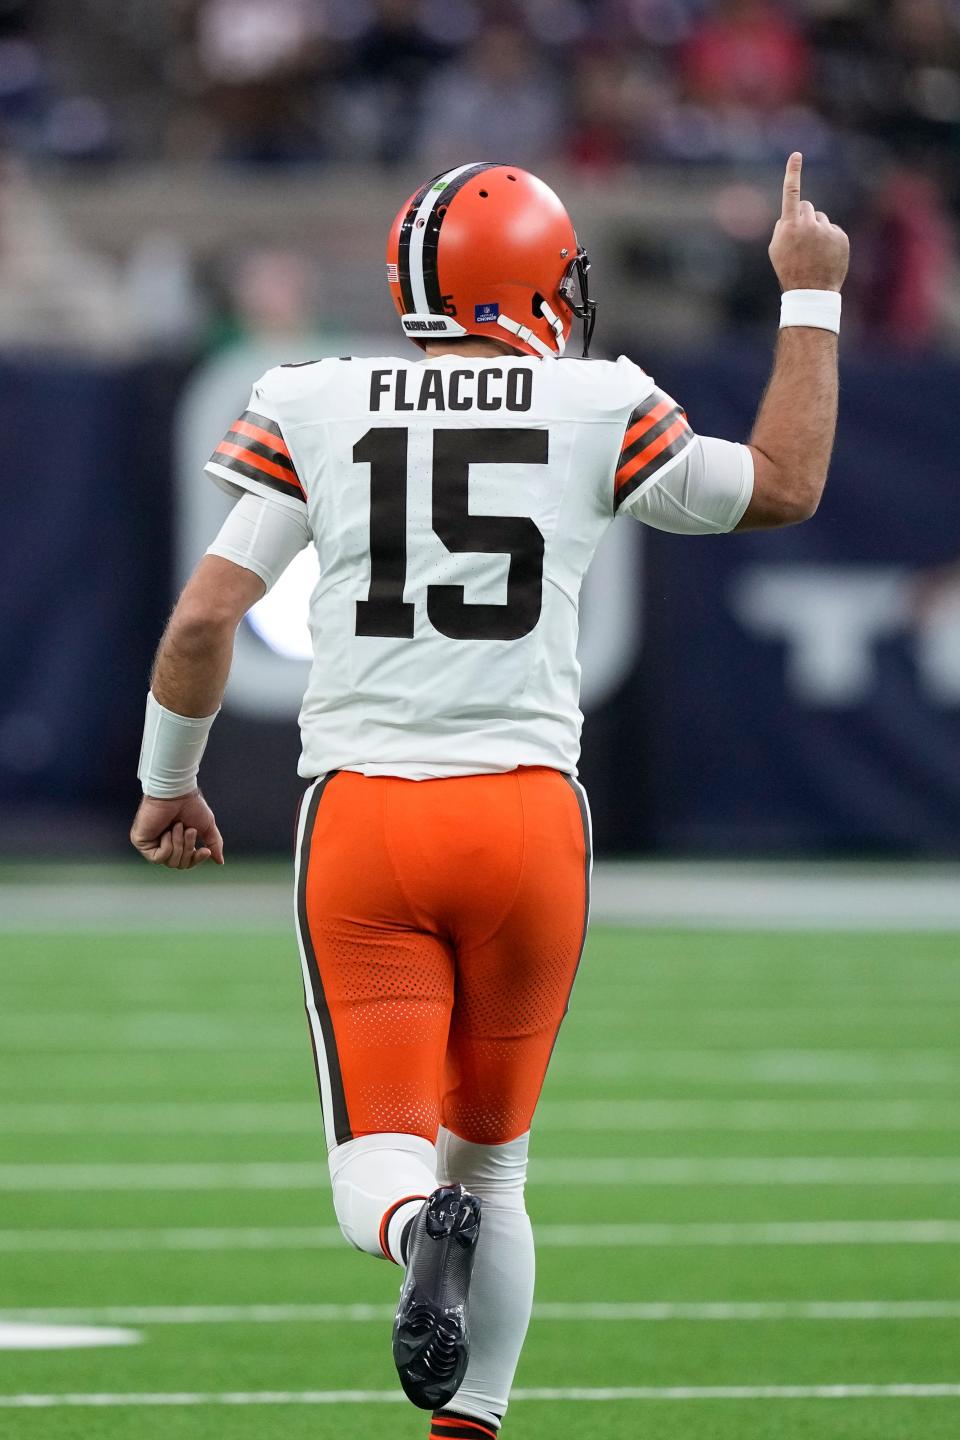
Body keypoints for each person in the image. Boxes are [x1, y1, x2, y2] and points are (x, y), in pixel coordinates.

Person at [130, 154, 848, 1435]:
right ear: (527, 282)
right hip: (527, 819)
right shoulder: (597, 401)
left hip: (367, 818)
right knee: (496, 1162)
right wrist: (811, 298)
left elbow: (201, 625)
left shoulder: (313, 397)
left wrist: (168, 784)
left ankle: (418, 1233)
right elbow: (784, 485)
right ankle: (467, 1419)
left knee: (383, 1163)